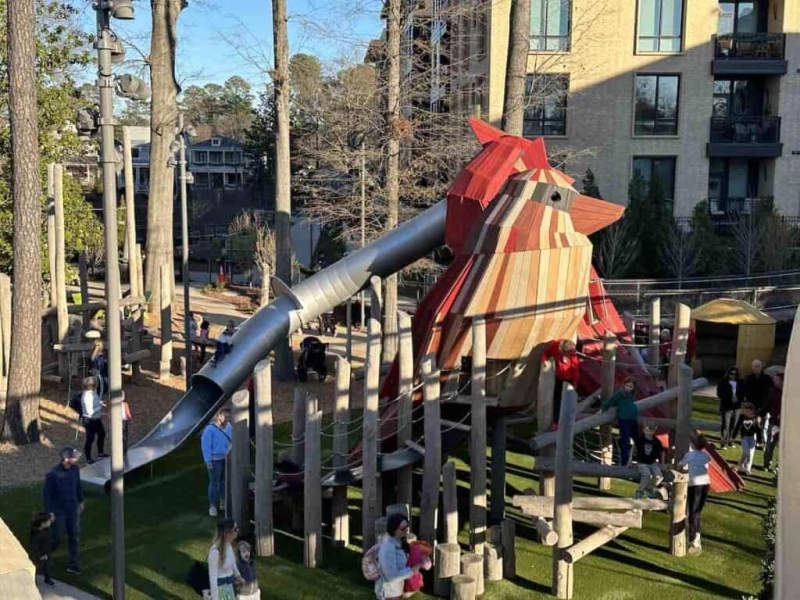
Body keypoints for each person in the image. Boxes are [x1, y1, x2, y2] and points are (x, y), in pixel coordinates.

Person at [43, 447, 84, 575]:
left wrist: (81, 500)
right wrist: (50, 512)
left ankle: (73, 564)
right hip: (59, 511)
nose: (76, 459)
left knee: (74, 536)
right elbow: (47, 495)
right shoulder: (53, 474)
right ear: (66, 459)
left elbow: (78, 485)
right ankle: (44, 556)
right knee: (56, 538)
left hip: (73, 509)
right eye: (74, 457)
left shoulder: (75, 469)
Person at [679, 433, 711, 556]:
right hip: (705, 484)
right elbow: (707, 463)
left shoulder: (689, 455)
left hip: (694, 485)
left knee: (692, 512)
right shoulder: (705, 456)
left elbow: (681, 464)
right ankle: (697, 535)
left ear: (692, 444)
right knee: (697, 512)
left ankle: (693, 538)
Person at [375, 513, 419, 600]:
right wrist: (412, 571)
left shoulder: (398, 541)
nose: (406, 530)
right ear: (393, 530)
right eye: (403, 529)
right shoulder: (388, 547)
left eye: (407, 527)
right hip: (388, 592)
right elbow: (391, 576)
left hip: (395, 590)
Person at [601, 376, 639, 466]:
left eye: (630, 386)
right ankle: (624, 462)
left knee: (637, 439)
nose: (628, 388)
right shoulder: (620, 394)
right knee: (625, 441)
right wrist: (603, 411)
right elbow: (610, 402)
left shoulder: (632, 395)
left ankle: (639, 460)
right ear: (624, 385)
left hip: (633, 419)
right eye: (627, 385)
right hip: (624, 419)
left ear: (633, 388)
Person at [541, 339, 580, 426]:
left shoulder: (572, 352)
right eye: (566, 354)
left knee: (569, 400)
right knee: (557, 400)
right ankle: (556, 422)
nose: (567, 356)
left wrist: (575, 383)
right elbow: (546, 353)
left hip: (569, 379)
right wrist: (544, 361)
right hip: (559, 377)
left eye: (568, 354)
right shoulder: (555, 346)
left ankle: (569, 419)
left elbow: (575, 369)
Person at [202, 409, 233, 516]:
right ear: (219, 416)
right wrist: (208, 461)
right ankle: (212, 506)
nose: (227, 419)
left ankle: (223, 502)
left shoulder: (229, 427)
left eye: (229, 417)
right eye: (225, 417)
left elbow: (232, 440)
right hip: (215, 461)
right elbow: (205, 446)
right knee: (214, 482)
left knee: (224, 481)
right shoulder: (209, 429)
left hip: (226, 458)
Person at [207, 519, 244, 600]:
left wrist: (239, 577)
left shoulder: (228, 545)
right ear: (226, 533)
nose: (237, 531)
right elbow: (213, 580)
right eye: (235, 529)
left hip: (230, 582)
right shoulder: (215, 552)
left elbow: (233, 565)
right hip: (222, 585)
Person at [744, 359, 773, 448]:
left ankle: (764, 443)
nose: (757, 368)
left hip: (764, 405)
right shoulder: (748, 378)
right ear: (752, 367)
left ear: (761, 367)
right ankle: (755, 443)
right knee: (754, 425)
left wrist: (767, 405)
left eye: (759, 366)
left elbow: (770, 393)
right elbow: (746, 393)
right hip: (752, 406)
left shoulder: (767, 379)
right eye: (755, 366)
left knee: (764, 426)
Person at [634, 421, 664, 499]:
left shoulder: (656, 441)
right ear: (643, 430)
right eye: (646, 430)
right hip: (642, 462)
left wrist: (662, 463)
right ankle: (639, 493)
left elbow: (662, 452)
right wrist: (629, 461)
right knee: (646, 475)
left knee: (659, 477)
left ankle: (649, 487)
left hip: (652, 463)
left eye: (650, 431)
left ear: (654, 431)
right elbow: (633, 449)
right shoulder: (640, 439)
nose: (648, 433)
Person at [80, 377, 107, 464]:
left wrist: (100, 402)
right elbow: (90, 412)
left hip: (96, 419)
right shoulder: (87, 396)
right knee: (90, 439)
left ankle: (100, 453)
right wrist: (100, 407)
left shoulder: (93, 393)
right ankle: (88, 459)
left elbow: (96, 401)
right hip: (89, 420)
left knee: (102, 434)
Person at [717, 366, 744, 448]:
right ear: (728, 374)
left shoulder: (741, 382)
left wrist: (738, 398)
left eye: (735, 374)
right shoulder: (723, 382)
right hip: (726, 406)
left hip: (737, 406)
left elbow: (743, 393)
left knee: (734, 424)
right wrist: (730, 398)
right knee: (726, 424)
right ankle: (724, 443)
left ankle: (731, 441)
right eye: (731, 374)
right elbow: (719, 393)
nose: (733, 375)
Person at [732, 403, 763, 475]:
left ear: (752, 411)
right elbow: (737, 427)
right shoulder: (742, 417)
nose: (746, 412)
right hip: (744, 437)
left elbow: (758, 430)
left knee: (750, 454)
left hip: (752, 438)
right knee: (747, 452)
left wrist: (759, 440)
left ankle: (747, 468)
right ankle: (743, 465)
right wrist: (733, 437)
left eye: (748, 411)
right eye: (745, 410)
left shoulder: (755, 418)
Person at [30, 512, 55, 587]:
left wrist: (50, 516)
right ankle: (33, 581)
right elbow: (34, 547)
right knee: (36, 567)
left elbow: (49, 518)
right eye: (49, 521)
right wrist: (40, 555)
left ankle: (47, 579)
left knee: (47, 566)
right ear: (42, 524)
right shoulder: (37, 535)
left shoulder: (46, 529)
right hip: (39, 554)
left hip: (46, 551)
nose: (50, 522)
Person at [764, 372, 783, 471]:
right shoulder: (772, 391)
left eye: (777, 379)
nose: (774, 381)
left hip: (784, 424)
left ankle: (779, 466)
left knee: (782, 447)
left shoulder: (788, 392)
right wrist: (761, 414)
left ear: (782, 381)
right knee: (769, 444)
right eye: (774, 379)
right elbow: (767, 405)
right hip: (773, 423)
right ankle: (767, 464)